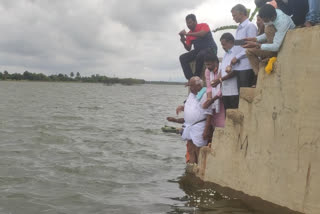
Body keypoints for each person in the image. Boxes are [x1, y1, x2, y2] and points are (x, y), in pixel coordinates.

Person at [167, 76, 213, 164]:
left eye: (192, 86)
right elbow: (192, 108)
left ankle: (199, 170)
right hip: (189, 127)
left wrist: (206, 130)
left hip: (199, 127)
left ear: (199, 85)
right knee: (191, 149)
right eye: (190, 86)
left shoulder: (204, 94)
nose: (190, 88)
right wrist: (182, 109)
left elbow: (209, 114)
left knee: (199, 150)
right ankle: (191, 168)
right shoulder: (191, 95)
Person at [243, 4, 295, 75]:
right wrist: (254, 39)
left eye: (265, 20)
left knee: (268, 28)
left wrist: (258, 45)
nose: (264, 22)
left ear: (272, 17)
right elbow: (269, 34)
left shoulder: (282, 22)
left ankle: (272, 56)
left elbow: (276, 46)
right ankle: (259, 76)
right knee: (248, 51)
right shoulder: (273, 14)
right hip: (273, 44)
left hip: (281, 47)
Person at [179, 14, 218, 81]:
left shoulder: (204, 26)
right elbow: (188, 48)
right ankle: (191, 79)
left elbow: (202, 34)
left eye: (190, 22)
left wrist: (187, 34)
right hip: (198, 51)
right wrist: (183, 41)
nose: (188, 25)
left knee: (200, 55)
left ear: (195, 21)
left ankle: (197, 76)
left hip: (211, 49)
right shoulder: (189, 34)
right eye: (187, 23)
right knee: (182, 58)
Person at [231, 4, 257, 89]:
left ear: (241, 13)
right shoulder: (239, 28)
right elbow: (238, 47)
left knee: (246, 94)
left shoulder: (250, 26)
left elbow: (251, 47)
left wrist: (237, 57)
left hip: (247, 66)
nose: (233, 18)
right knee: (241, 94)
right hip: (239, 66)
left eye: (234, 15)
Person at [211, 33, 239, 111]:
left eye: (224, 45)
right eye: (222, 45)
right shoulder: (225, 54)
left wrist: (220, 80)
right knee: (228, 117)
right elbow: (222, 70)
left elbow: (235, 71)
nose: (223, 47)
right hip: (225, 91)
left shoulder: (236, 53)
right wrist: (216, 80)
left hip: (234, 91)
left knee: (234, 116)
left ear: (231, 42)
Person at [203, 53, 225, 129]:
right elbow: (209, 87)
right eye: (206, 65)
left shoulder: (223, 68)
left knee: (221, 124)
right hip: (213, 100)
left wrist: (212, 100)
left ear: (216, 62)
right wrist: (209, 99)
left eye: (209, 64)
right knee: (213, 122)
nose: (208, 67)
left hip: (223, 99)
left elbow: (223, 88)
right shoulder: (207, 71)